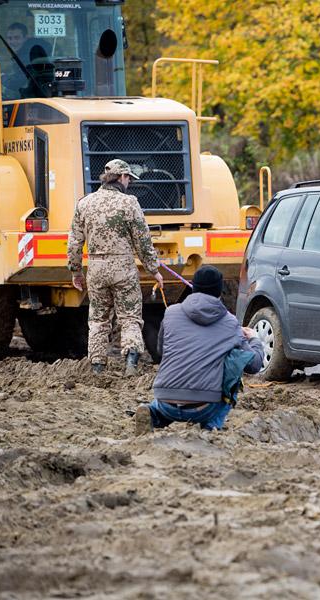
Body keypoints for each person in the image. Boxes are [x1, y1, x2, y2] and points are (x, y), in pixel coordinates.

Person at [134, 265, 264, 433]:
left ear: (193, 288)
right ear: (219, 291)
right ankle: (211, 426)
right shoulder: (230, 322)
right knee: (235, 360)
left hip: (166, 400)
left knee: (165, 406)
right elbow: (254, 365)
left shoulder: (171, 313)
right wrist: (254, 338)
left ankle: (153, 413)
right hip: (204, 408)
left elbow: (161, 351)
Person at [67, 158, 163, 375]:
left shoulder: (84, 203)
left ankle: (98, 365)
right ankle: (131, 362)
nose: (129, 182)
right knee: (129, 317)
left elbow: (74, 242)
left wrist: (76, 272)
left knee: (99, 319)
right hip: (123, 268)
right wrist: (153, 270)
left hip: (96, 268)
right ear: (122, 177)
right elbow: (143, 240)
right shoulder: (130, 203)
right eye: (129, 177)